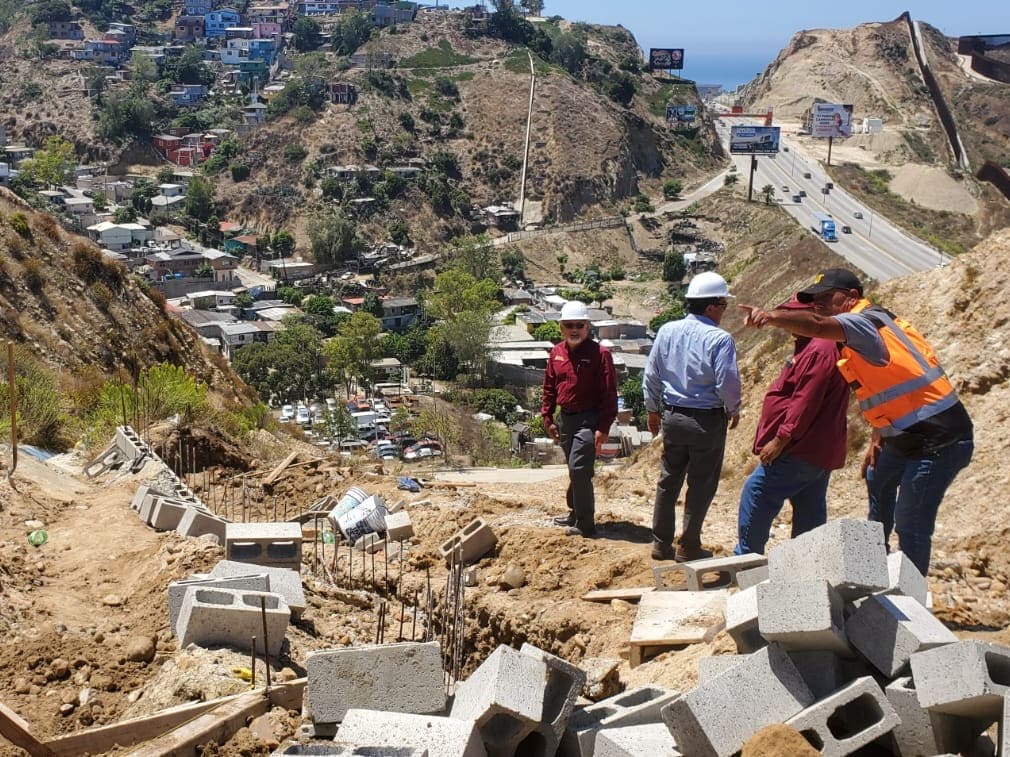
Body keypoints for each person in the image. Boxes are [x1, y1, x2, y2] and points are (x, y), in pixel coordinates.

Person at [740, 268, 974, 575]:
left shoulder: (862, 323)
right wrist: (880, 435)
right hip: (906, 434)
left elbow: (818, 326)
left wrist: (770, 317)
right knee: (879, 477)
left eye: (826, 297)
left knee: (911, 521)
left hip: (939, 439)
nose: (819, 304)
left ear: (852, 297)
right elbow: (885, 387)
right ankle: (876, 569)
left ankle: (911, 598)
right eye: (815, 299)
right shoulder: (861, 335)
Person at [734, 298, 850, 555]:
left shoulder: (819, 349)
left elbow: (805, 401)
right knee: (810, 505)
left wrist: (781, 439)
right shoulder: (816, 346)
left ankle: (747, 557)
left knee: (758, 491)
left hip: (800, 447)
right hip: (818, 449)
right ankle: (807, 565)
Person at [643, 272, 742, 562]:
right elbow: (727, 382)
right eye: (723, 305)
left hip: (673, 417)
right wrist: (733, 409)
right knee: (701, 484)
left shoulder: (667, 331)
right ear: (712, 306)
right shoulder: (720, 339)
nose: (724, 311)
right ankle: (688, 545)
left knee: (668, 480)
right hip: (706, 421)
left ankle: (660, 544)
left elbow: (652, 374)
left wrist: (652, 409)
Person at [541, 300, 618, 538]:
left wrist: (603, 427)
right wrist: (548, 418)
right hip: (566, 420)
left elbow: (609, 394)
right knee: (575, 469)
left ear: (587, 327)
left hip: (589, 420)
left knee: (579, 468)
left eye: (580, 325)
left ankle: (586, 525)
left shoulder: (601, 355)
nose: (574, 330)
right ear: (561, 328)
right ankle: (575, 512)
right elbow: (549, 389)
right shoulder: (556, 353)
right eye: (569, 325)